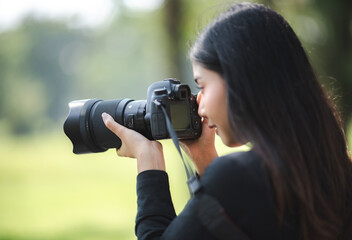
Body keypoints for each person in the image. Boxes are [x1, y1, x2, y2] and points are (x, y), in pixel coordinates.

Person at [102, 2, 352, 239]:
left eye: (203, 85)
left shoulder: (239, 177)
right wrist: (203, 157)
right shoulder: (331, 169)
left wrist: (149, 159)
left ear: (238, 81)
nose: (201, 105)